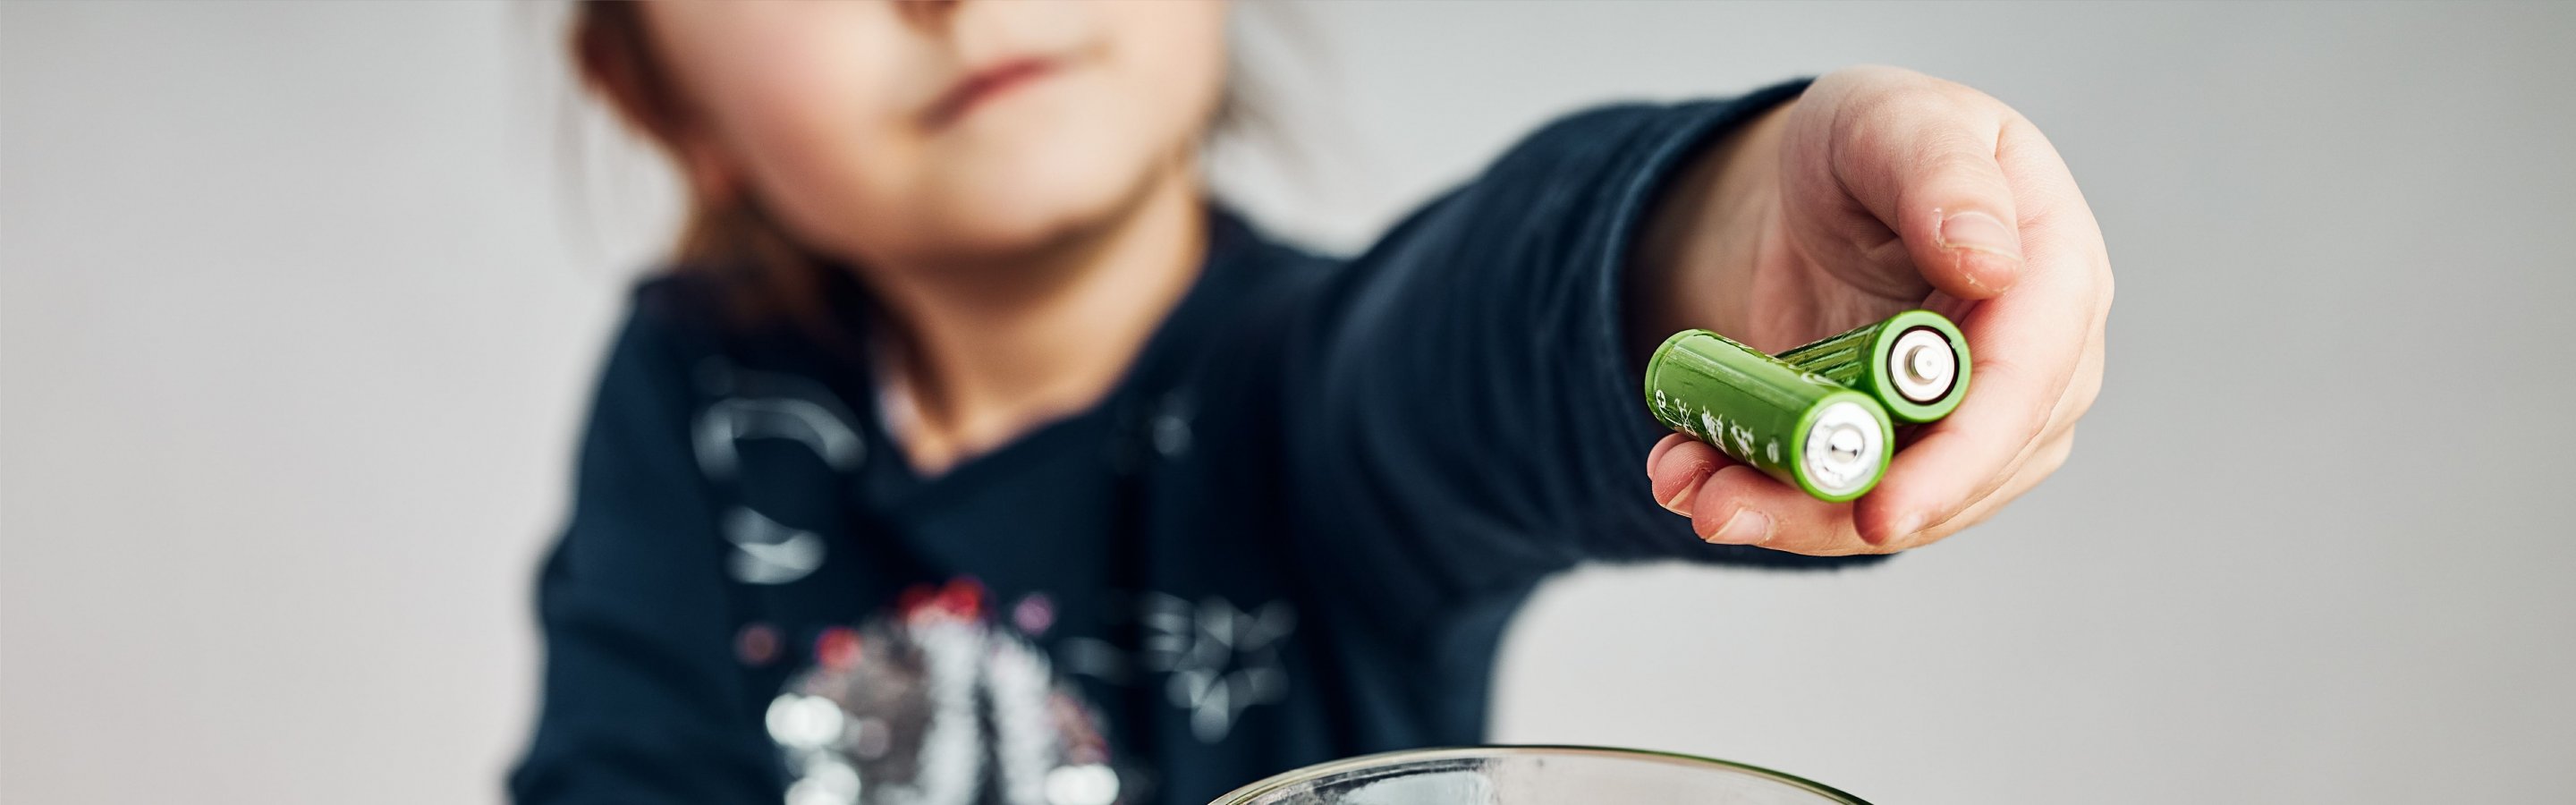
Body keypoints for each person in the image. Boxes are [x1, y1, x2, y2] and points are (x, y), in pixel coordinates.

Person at [510, 3, 2111, 804]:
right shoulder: (693, 399)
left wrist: (1729, 238)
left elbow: (1487, 327)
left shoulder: (1312, 393)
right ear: (662, 99)